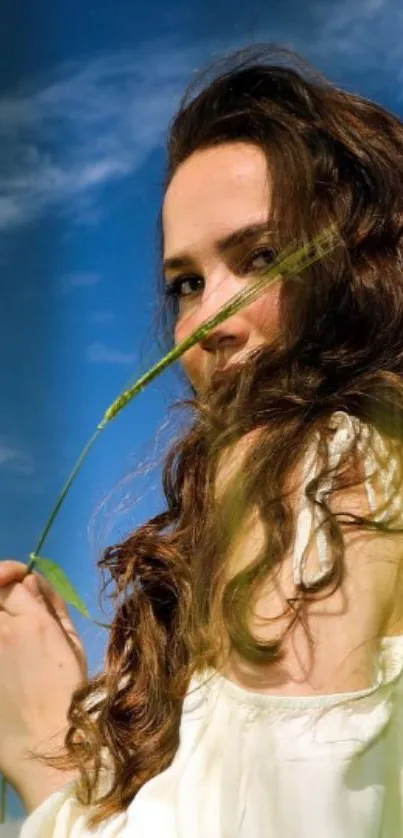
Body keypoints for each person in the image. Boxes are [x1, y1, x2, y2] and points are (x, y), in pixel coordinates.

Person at [2, 43, 403, 837]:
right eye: (186, 283)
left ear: (360, 264)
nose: (206, 326)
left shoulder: (319, 465)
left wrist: (44, 762)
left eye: (261, 256)